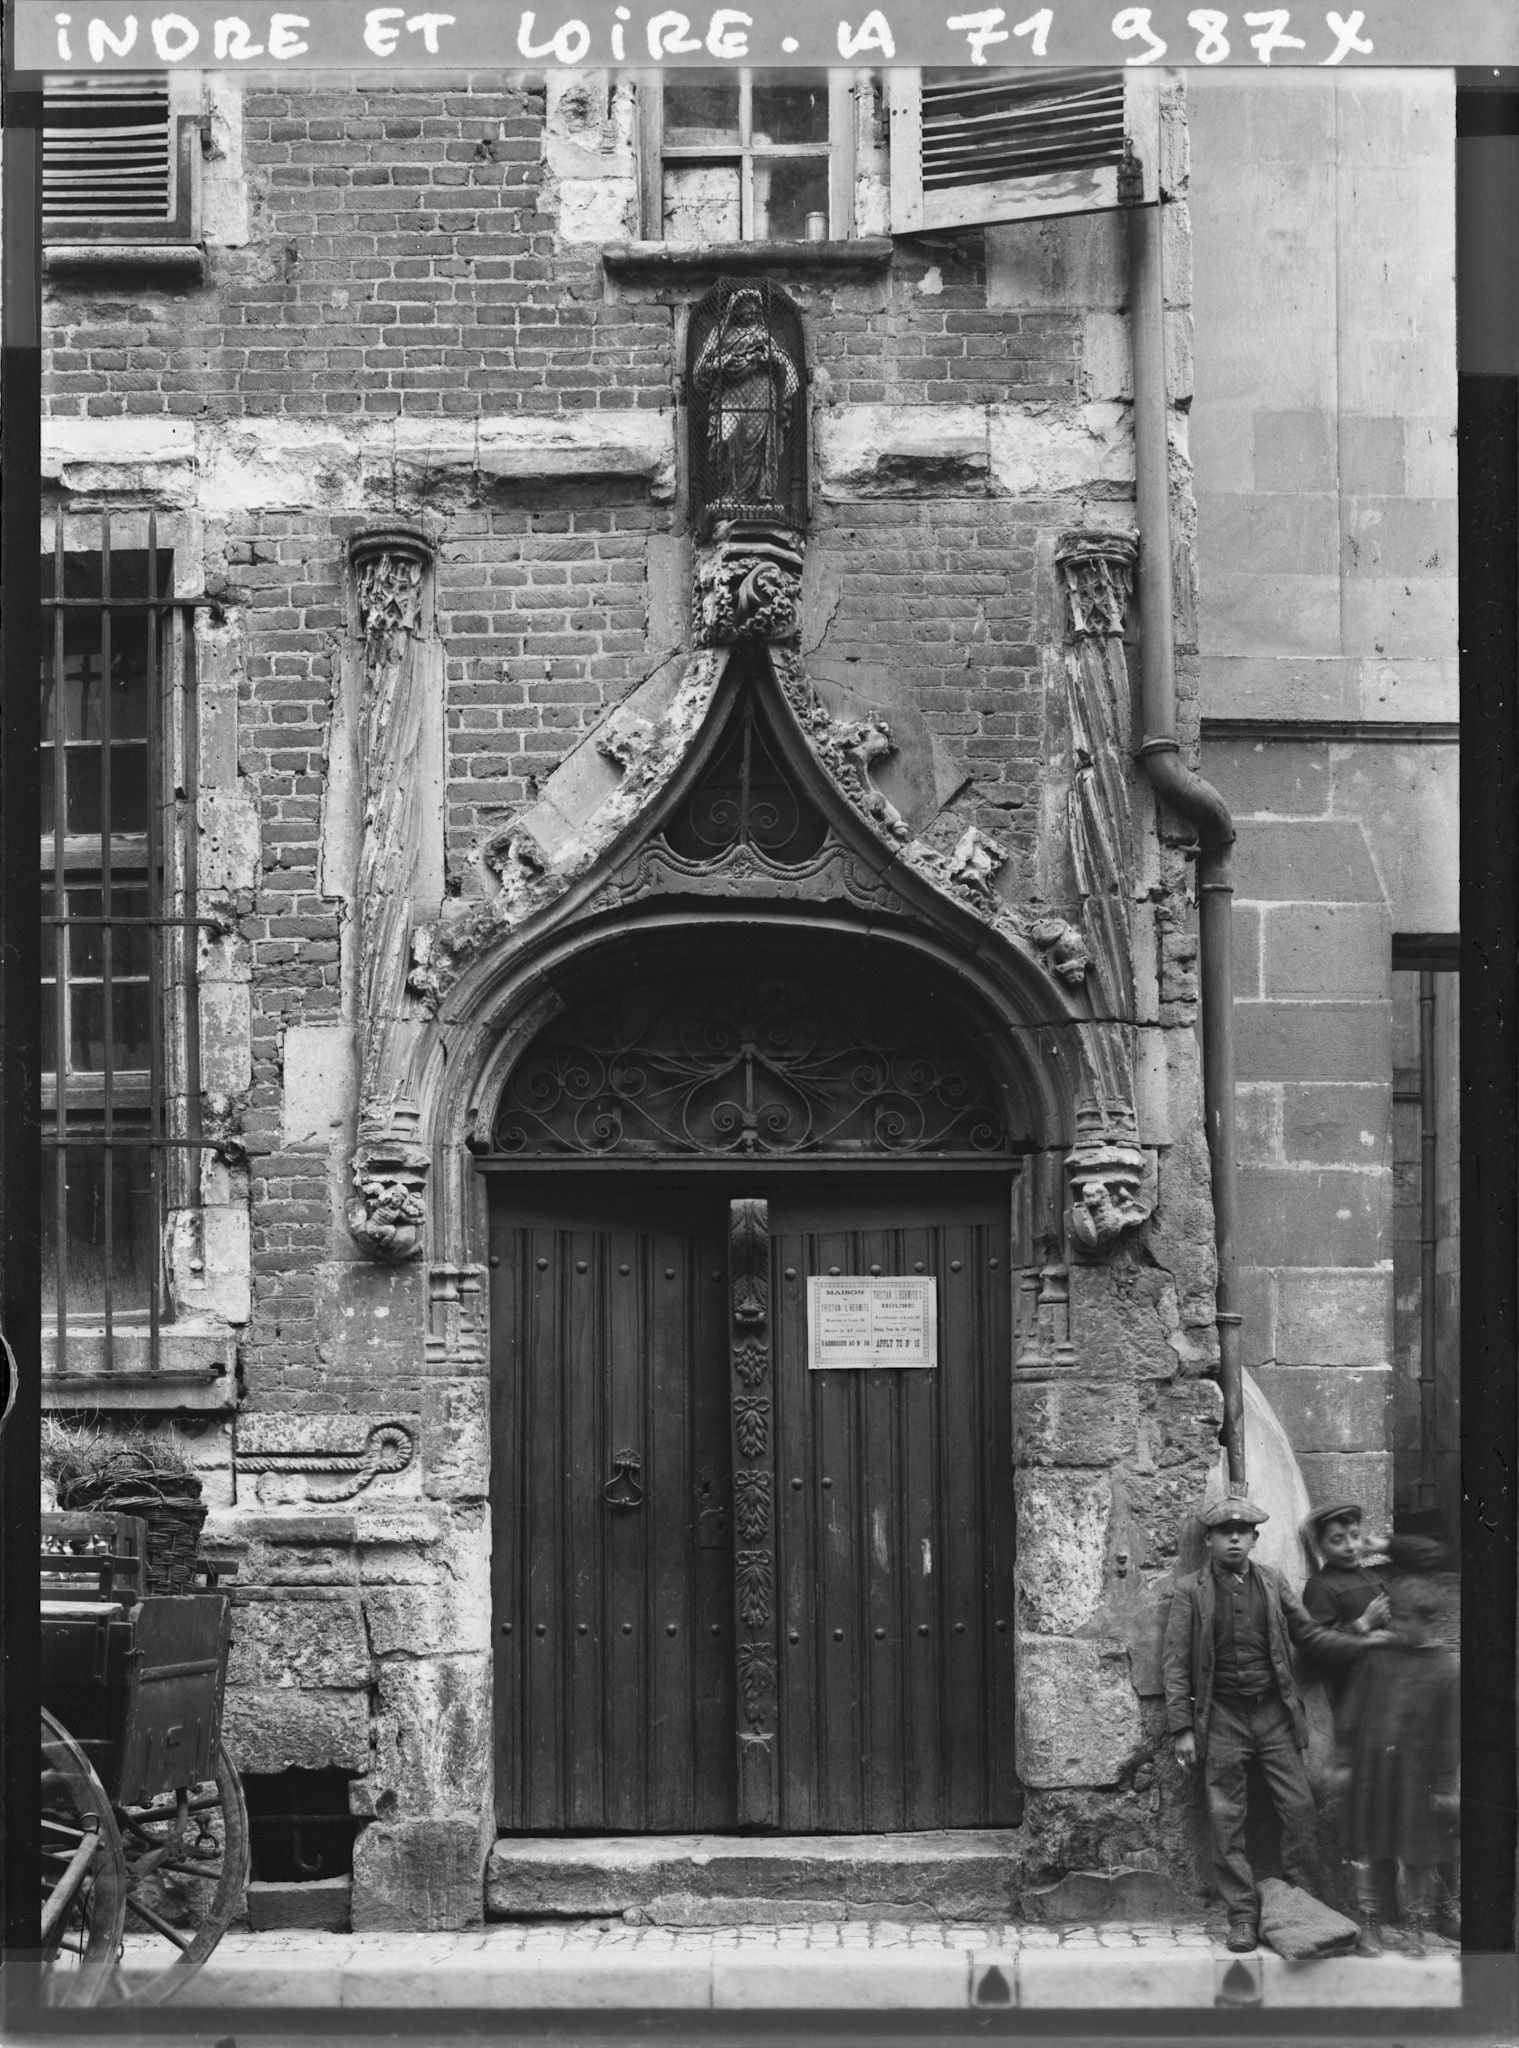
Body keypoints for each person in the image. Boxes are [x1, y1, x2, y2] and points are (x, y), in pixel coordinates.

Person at [1163, 1491, 1373, 1953]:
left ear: (1255, 1539)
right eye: (1225, 1532)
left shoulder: (1273, 1581)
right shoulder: (1190, 1591)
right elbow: (1176, 1662)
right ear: (1209, 1540)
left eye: (1243, 1532)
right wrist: (1182, 1728)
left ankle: (1305, 1904)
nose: (1234, 1540)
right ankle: (1241, 1914)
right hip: (1222, 1716)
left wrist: (1359, 1639)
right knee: (1226, 1817)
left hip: (1275, 1714)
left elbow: (1309, 1634)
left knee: (1298, 1807)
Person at [1336, 1571, 1459, 1956]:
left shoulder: (1445, 1668)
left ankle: (1414, 1925)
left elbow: (1450, 1732)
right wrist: (1344, 1757)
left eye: (1408, 1620)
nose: (1398, 1627)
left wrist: (1444, 1785)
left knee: (1418, 1854)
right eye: (1396, 1618)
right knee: (1373, 1847)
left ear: (1428, 1621)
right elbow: (1353, 1707)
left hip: (1418, 1780)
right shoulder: (1376, 1656)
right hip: (1375, 1772)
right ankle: (1369, 1922)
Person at [1299, 1501, 1391, 1725]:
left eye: (1355, 1536)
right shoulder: (1321, 1587)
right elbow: (1317, 1648)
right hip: (1352, 1693)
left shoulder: (1375, 1578)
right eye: (1337, 1540)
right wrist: (1362, 1624)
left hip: (1386, 1684)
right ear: (1319, 1547)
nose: (1350, 1546)